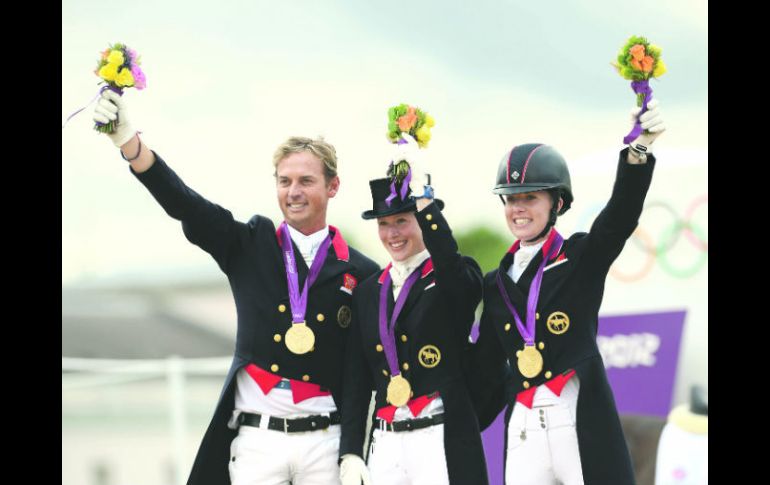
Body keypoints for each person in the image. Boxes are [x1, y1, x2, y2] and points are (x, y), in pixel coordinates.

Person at [93, 89, 379, 485]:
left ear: (332, 186)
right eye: (285, 181)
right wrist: (129, 143)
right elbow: (186, 204)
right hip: (258, 443)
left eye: (306, 181)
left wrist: (352, 450)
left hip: (325, 443)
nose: (293, 192)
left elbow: (359, 373)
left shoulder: (362, 271)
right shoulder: (249, 244)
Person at [471, 99, 666, 485]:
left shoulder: (578, 257)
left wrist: (638, 152)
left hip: (573, 414)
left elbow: (619, 218)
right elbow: (487, 366)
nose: (518, 209)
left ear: (557, 202)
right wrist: (456, 424)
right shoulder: (495, 283)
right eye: (511, 199)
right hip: (523, 424)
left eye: (530, 197)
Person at [338, 131, 488, 485]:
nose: (392, 233)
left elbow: (453, 272)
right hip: (386, 440)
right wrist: (351, 450)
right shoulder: (368, 291)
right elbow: (357, 379)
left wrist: (424, 202)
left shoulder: (454, 273)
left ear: (423, 219)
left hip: (438, 437)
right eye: (384, 224)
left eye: (402, 220)